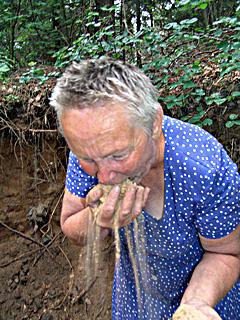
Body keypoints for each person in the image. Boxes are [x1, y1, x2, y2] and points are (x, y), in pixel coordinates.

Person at [50, 58, 240, 320]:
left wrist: (195, 305)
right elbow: (70, 224)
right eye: (89, 159)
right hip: (136, 299)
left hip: (206, 296)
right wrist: (98, 219)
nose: (104, 175)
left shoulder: (203, 168)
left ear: (153, 123)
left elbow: (226, 252)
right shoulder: (89, 146)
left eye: (119, 155)